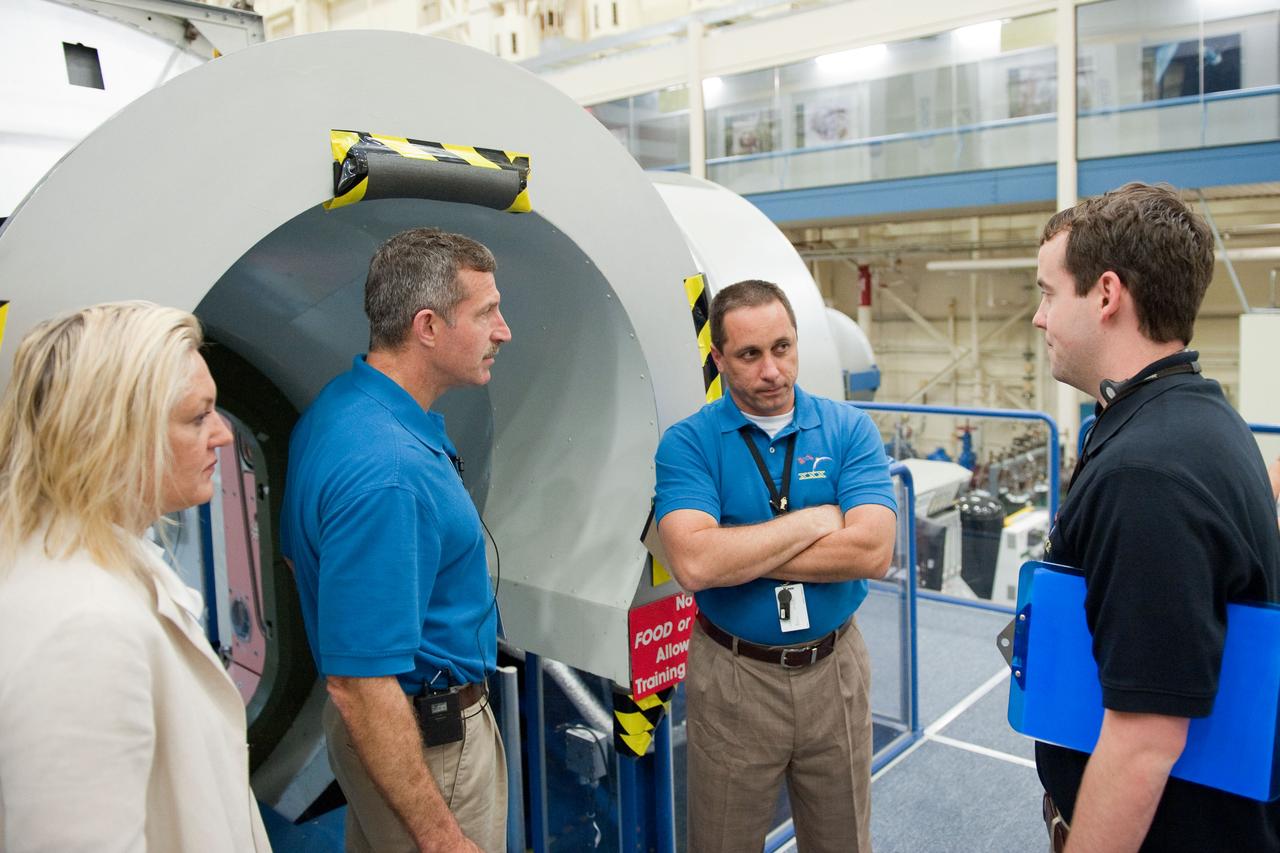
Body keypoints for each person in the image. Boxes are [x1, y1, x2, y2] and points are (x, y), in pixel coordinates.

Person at [1032, 182, 1280, 852]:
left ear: (1107, 295)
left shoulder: (1147, 473)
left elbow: (1144, 739)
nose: (1038, 317)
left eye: (1049, 293)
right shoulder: (1196, 415)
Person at [0, 302, 270, 852]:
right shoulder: (80, 627)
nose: (222, 435)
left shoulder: (112, 560)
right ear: (113, 433)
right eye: (198, 417)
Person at [280, 228, 512, 853]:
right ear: (428, 326)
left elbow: (296, 555)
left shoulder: (342, 406)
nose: (503, 330)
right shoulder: (390, 471)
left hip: (391, 734)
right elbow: (359, 684)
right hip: (426, 746)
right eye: (487, 312)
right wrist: (441, 836)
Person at [654, 279, 897, 853]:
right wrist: (816, 521)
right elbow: (692, 562)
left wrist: (737, 551)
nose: (772, 371)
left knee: (844, 840)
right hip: (734, 676)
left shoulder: (848, 428)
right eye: (749, 354)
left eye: (782, 348)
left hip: (835, 670)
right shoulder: (688, 443)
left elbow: (872, 552)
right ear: (718, 358)